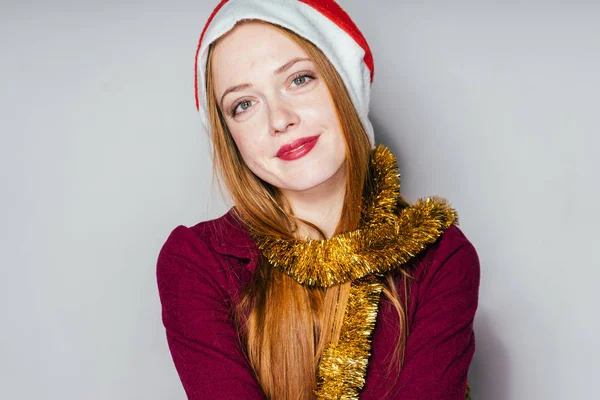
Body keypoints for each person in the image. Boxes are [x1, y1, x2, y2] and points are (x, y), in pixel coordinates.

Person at [156, 1, 480, 399]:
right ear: (230, 137)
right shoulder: (197, 262)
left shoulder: (441, 257)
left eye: (299, 79)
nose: (279, 119)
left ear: (344, 81)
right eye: (244, 104)